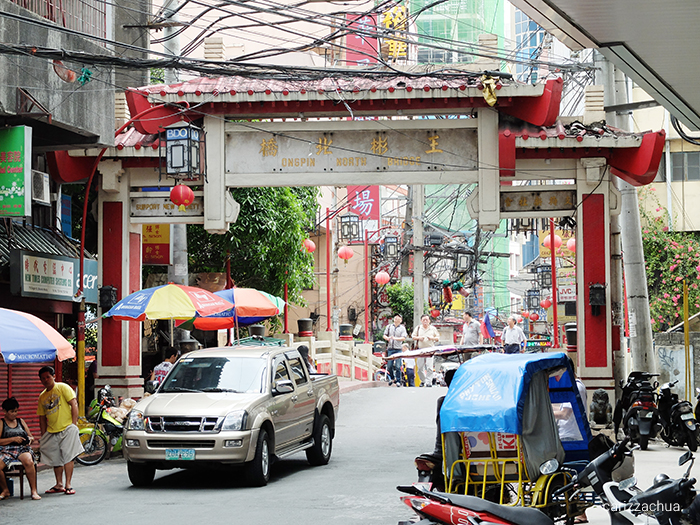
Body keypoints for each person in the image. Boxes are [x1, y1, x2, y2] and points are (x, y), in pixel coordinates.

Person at [37, 366, 83, 496]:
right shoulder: (42, 396)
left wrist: (73, 425)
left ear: (53, 377)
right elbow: (42, 417)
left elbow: (74, 403)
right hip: (52, 431)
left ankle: (68, 484)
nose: (46, 380)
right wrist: (44, 434)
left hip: (67, 427)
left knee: (68, 456)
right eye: (43, 378)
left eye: (48, 377)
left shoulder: (63, 387)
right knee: (55, 458)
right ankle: (59, 484)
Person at [0, 397, 41, 500]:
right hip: (7, 450)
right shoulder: (1, 423)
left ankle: (34, 491)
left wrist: (29, 439)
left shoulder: (20, 421)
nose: (14, 414)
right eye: (12, 411)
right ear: (5, 411)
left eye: (16, 411)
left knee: (28, 461)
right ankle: (5, 490)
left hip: (22, 449)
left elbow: (30, 436)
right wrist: (13, 439)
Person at [412, 314, 440, 387]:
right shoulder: (418, 328)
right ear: (421, 321)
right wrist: (419, 338)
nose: (425, 321)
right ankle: (423, 380)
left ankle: (428, 382)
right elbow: (413, 336)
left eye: (426, 320)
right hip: (421, 350)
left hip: (430, 349)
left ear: (429, 321)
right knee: (420, 368)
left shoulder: (433, 329)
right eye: (423, 320)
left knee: (429, 367)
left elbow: (437, 338)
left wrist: (432, 338)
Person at [383, 315, 407, 386]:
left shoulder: (402, 328)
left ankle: (398, 380)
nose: (396, 318)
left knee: (398, 366)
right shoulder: (389, 326)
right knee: (389, 366)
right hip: (390, 348)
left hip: (398, 349)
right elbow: (384, 335)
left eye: (398, 317)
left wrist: (395, 338)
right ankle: (393, 378)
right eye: (395, 317)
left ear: (401, 320)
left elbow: (403, 338)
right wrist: (387, 338)